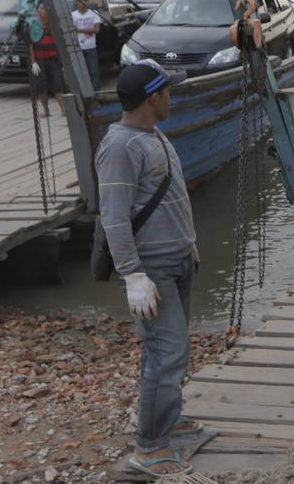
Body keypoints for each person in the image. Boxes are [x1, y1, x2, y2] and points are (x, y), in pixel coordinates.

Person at [95, 59, 199, 477]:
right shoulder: (120, 146)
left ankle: (167, 417)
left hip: (177, 262)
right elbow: (114, 218)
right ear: (154, 97)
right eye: (169, 90)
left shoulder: (151, 134)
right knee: (167, 351)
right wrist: (133, 275)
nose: (173, 96)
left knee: (166, 351)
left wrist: (189, 244)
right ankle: (150, 447)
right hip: (151, 271)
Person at [28, 2, 64, 116]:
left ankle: (63, 109)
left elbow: (60, 43)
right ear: (38, 10)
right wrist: (33, 62)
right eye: (42, 8)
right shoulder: (34, 26)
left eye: (46, 8)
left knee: (57, 85)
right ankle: (46, 110)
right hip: (39, 61)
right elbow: (30, 45)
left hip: (53, 59)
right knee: (40, 87)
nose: (45, 11)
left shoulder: (54, 25)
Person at [70, 0, 102, 90]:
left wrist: (79, 30)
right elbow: (72, 31)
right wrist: (89, 30)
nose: (83, 3)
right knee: (81, 71)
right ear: (76, 2)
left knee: (94, 70)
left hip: (91, 46)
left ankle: (96, 91)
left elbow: (96, 29)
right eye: (80, 0)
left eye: (85, 0)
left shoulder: (94, 13)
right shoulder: (73, 15)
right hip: (78, 47)